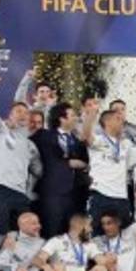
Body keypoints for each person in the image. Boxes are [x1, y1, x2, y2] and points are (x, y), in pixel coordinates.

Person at [0, 71, 43, 235]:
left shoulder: (24, 136)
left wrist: (27, 78)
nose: (23, 115)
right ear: (9, 116)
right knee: (1, 236)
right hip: (0, 190)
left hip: (21, 193)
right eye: (18, 112)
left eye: (25, 113)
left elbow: (20, 100)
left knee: (25, 235)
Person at [34, 101, 88, 239]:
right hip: (53, 193)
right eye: (72, 115)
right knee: (52, 231)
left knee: (73, 234)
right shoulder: (44, 136)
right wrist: (67, 163)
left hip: (76, 194)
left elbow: (86, 161)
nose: (76, 118)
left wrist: (82, 165)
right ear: (62, 118)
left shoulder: (77, 141)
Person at [81, 98, 134, 230]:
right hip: (101, 195)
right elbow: (86, 135)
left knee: (123, 237)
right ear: (107, 122)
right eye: (117, 118)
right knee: (96, 235)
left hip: (122, 197)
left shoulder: (127, 144)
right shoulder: (99, 140)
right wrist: (92, 114)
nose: (122, 121)